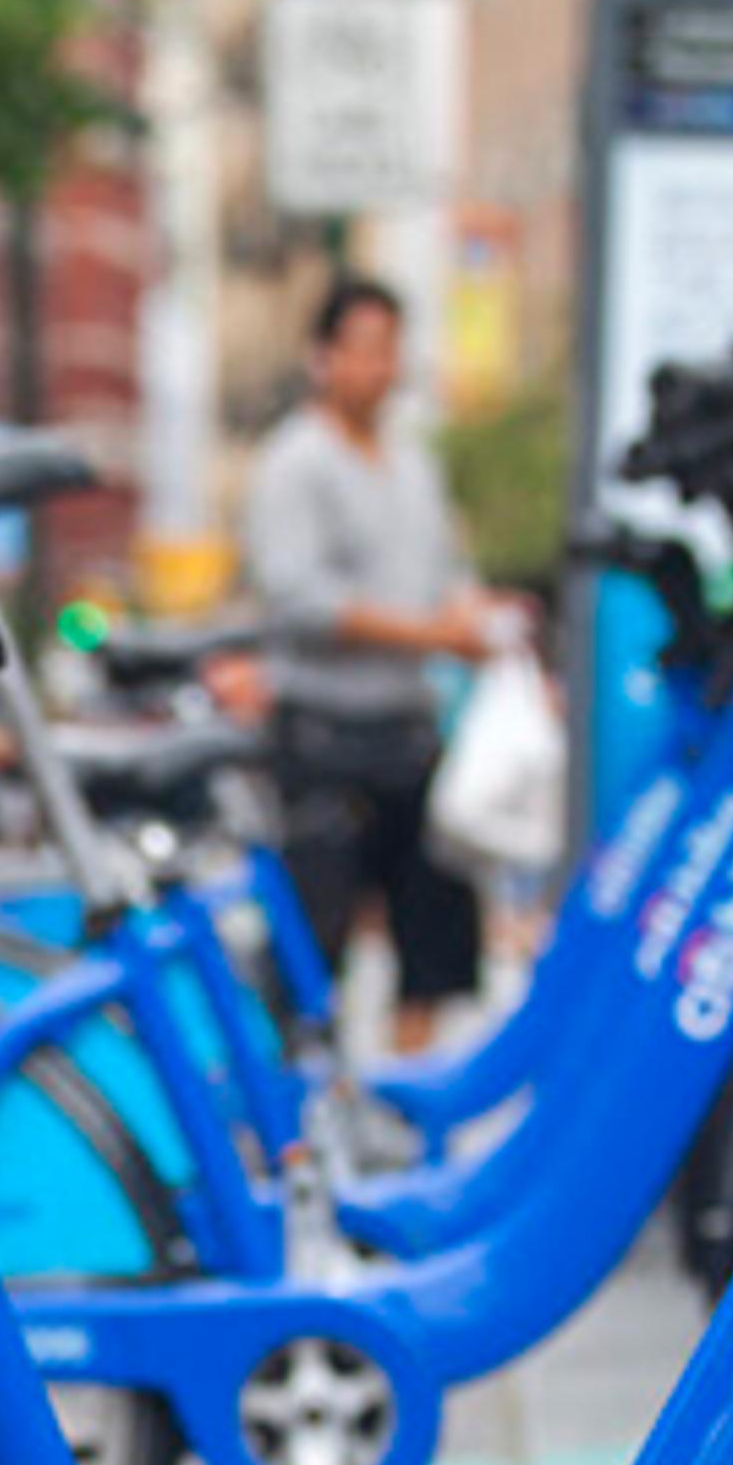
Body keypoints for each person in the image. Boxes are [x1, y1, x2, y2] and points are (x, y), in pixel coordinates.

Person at [244, 276, 500, 1054]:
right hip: (323, 736)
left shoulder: (412, 459)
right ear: (322, 358)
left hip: (410, 730)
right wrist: (428, 634)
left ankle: (400, 1105)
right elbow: (298, 600)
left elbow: (446, 567)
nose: (381, 369)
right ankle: (305, 1113)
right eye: (364, 351)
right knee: (315, 942)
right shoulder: (295, 462)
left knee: (432, 934)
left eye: (391, 350)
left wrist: (468, 616)